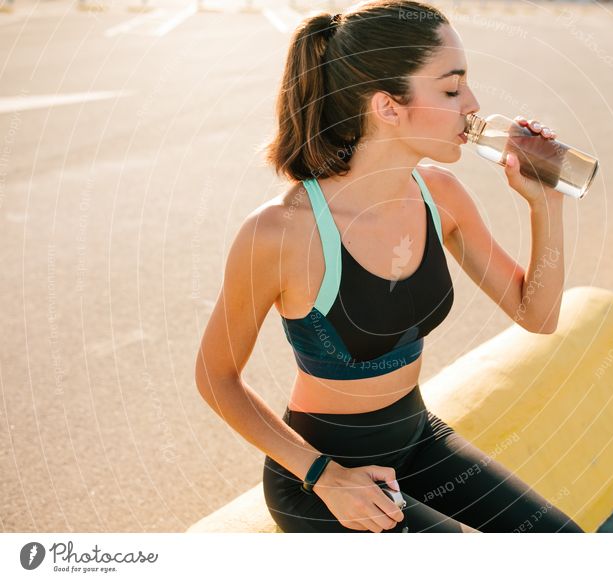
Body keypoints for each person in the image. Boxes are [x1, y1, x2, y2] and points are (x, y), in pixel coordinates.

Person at [195, 0, 583, 533]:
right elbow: (216, 377)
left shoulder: (441, 195)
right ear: (388, 107)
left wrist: (546, 204)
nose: (473, 105)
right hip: (319, 478)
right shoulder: (283, 233)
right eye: (451, 89)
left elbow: (537, 314)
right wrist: (324, 476)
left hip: (418, 440)